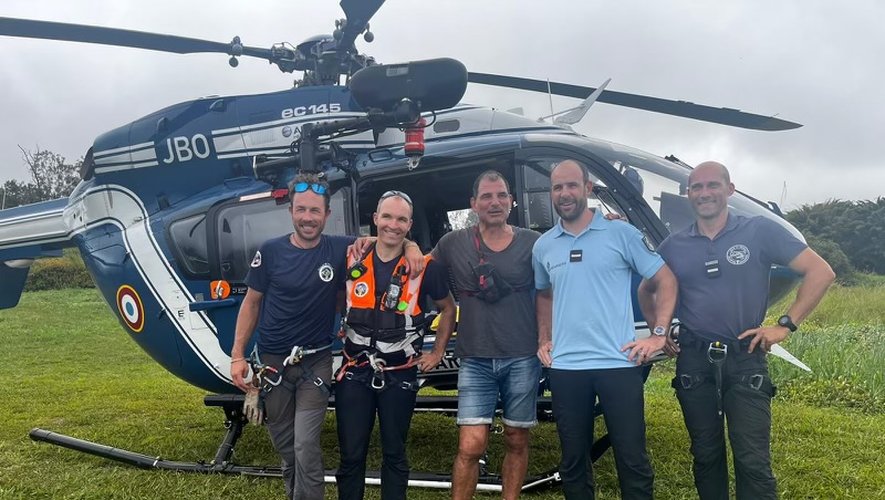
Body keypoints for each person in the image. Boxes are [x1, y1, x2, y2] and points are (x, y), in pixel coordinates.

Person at [638, 161, 834, 500]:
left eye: (712, 185)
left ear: (730, 190)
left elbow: (821, 271)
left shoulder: (759, 231)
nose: (704, 193)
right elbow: (647, 288)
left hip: (745, 358)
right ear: (688, 195)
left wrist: (784, 326)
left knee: (752, 459)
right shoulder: (674, 244)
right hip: (695, 362)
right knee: (705, 454)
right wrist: (661, 330)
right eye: (696, 187)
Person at [229, 173, 423, 500]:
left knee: (305, 443)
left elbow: (388, 235)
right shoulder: (271, 252)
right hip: (273, 364)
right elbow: (251, 303)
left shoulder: (339, 248)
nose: (308, 218)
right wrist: (237, 355)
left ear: (326, 215)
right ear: (290, 211)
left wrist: (412, 244)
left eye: (315, 211)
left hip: (314, 363)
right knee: (287, 448)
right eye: (301, 209)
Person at [532, 159, 678, 500]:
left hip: (619, 364)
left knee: (632, 458)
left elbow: (665, 279)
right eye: (557, 187)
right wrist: (544, 338)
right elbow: (544, 293)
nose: (564, 193)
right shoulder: (544, 245)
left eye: (571, 185)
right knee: (573, 461)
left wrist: (658, 333)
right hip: (566, 368)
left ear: (588, 189)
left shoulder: (622, 234)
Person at [334, 190, 456, 500]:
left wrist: (437, 352)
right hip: (355, 372)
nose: (393, 224)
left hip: (399, 374)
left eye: (401, 219)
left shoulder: (426, 267)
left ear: (410, 224)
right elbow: (337, 296)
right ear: (375, 219)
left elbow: (449, 308)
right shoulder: (350, 256)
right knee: (351, 455)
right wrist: (341, 323)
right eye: (387, 216)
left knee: (395, 452)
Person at [432, 170, 541, 499]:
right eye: (487, 196)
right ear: (473, 204)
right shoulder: (453, 243)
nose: (495, 202)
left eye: (501, 195)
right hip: (475, 358)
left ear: (511, 201)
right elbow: (419, 267)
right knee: (470, 445)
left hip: (522, 356)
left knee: (515, 439)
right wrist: (396, 244)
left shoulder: (533, 243)